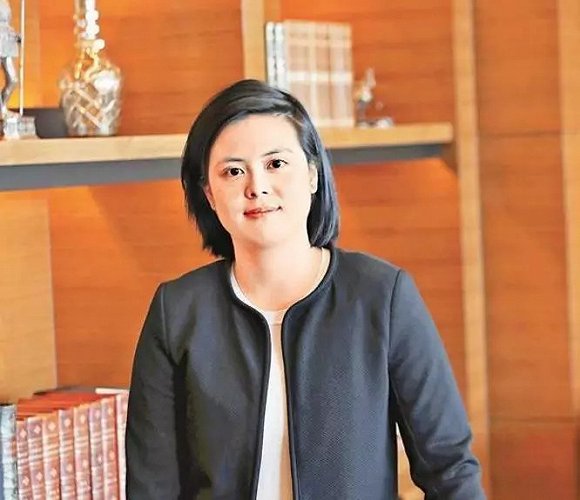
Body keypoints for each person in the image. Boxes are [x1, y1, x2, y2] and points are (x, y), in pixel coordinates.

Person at [126, 79, 485, 499]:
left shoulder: (381, 296)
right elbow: (151, 487)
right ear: (209, 194)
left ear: (313, 174)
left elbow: (449, 469)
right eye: (233, 171)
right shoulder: (177, 312)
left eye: (276, 163)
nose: (256, 186)